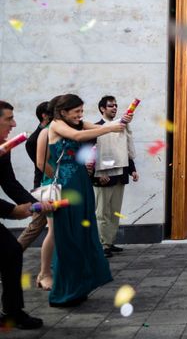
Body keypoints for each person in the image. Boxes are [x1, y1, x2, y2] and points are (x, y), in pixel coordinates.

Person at [42, 94, 127, 307]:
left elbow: (100, 126)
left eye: (82, 111)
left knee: (82, 234)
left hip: (81, 181)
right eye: (77, 111)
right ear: (62, 112)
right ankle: (64, 291)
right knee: (67, 236)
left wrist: (120, 122)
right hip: (66, 184)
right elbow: (79, 137)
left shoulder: (77, 123)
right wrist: (110, 129)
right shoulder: (56, 125)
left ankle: (79, 287)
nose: (81, 115)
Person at [0, 100, 53, 330]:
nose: (14, 123)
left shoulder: (3, 147)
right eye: (8, 119)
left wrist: (35, 204)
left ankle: (12, 312)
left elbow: (9, 183)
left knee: (11, 252)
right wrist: (11, 211)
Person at [92, 96, 139, 258]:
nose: (114, 108)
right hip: (103, 175)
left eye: (116, 106)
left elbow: (124, 149)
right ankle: (101, 244)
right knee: (101, 212)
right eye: (110, 106)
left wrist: (132, 169)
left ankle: (109, 242)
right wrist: (99, 174)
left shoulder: (121, 126)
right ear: (102, 109)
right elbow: (94, 153)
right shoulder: (96, 127)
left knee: (114, 212)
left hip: (120, 174)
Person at [16, 101, 52, 251]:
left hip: (53, 183)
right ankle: (12, 253)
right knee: (36, 226)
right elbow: (41, 165)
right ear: (44, 115)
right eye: (53, 111)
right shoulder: (33, 140)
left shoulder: (56, 131)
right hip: (44, 185)